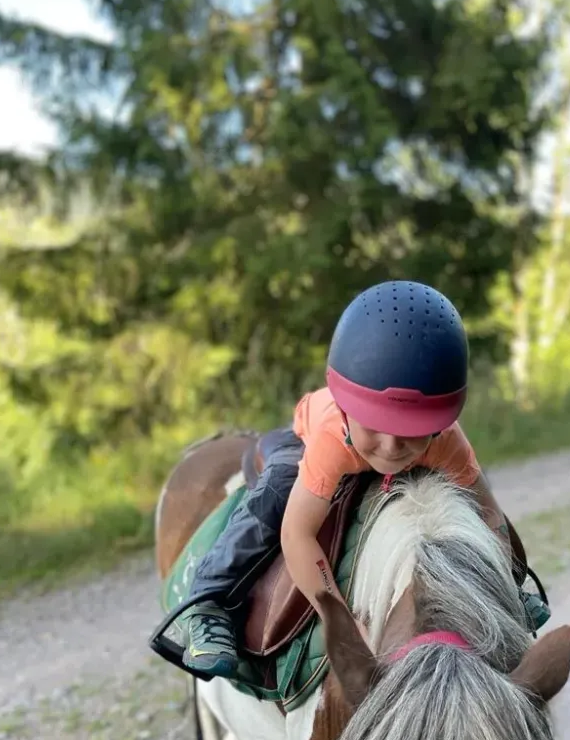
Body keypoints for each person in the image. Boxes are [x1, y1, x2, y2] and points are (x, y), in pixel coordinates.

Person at [178, 280, 519, 681]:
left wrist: (502, 582)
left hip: (373, 441)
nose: (392, 447)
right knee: (278, 490)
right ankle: (210, 599)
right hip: (314, 439)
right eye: (376, 425)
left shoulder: (445, 440)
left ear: (440, 422)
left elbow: (490, 514)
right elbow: (298, 535)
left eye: (413, 428)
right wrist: (336, 615)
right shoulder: (332, 439)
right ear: (346, 406)